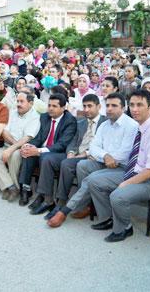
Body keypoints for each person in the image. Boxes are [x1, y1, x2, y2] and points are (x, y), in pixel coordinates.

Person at [87, 89, 150, 242]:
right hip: (135, 173)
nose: (134, 109)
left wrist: (124, 183)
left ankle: (125, 228)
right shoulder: (140, 127)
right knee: (93, 180)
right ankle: (110, 218)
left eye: (140, 105)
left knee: (118, 195)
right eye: (132, 105)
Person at [47, 93, 138, 228]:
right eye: (108, 105)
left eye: (114, 106)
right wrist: (106, 156)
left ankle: (66, 210)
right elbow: (94, 147)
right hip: (104, 162)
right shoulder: (105, 125)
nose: (110, 109)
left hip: (122, 167)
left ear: (124, 108)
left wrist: (106, 156)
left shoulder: (131, 125)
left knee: (91, 179)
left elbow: (125, 153)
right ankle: (85, 205)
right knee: (83, 165)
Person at [42, 94, 107, 220]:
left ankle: (61, 203)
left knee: (66, 164)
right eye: (84, 106)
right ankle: (47, 200)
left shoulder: (105, 123)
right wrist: (71, 152)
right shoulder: (81, 122)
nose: (86, 109)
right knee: (50, 159)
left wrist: (86, 153)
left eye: (90, 106)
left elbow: (104, 144)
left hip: (92, 157)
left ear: (98, 107)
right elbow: (73, 140)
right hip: (76, 155)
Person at [19, 94, 77, 212]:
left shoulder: (70, 120)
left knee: (45, 157)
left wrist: (39, 151)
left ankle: (45, 197)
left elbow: (62, 144)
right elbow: (39, 137)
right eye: (49, 105)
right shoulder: (44, 117)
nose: (50, 108)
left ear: (63, 108)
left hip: (60, 153)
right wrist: (30, 146)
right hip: (44, 150)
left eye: (54, 106)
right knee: (28, 153)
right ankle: (26, 189)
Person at [0, 91, 40, 203]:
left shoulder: (35, 117)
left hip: (23, 149)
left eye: (22, 101)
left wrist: (12, 149)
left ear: (30, 103)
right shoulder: (12, 112)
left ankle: (16, 188)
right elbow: (4, 132)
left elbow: (27, 138)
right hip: (8, 145)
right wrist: (12, 146)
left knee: (15, 156)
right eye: (17, 101)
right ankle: (11, 186)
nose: (18, 104)